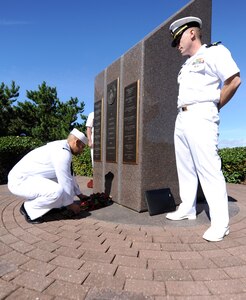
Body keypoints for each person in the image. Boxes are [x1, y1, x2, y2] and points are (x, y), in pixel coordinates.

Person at [166, 16, 241, 242]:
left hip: (202, 113)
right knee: (185, 166)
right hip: (182, 116)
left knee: (208, 168)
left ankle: (220, 224)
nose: (177, 44)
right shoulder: (186, 64)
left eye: (178, 38)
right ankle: (187, 208)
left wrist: (214, 105)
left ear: (191, 33)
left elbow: (234, 80)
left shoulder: (214, 53)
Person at [8, 128, 88, 224]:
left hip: (29, 178)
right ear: (77, 142)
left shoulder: (63, 147)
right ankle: (28, 209)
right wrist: (70, 204)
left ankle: (51, 207)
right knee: (57, 192)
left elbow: (69, 175)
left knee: (63, 192)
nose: (82, 151)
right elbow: (65, 180)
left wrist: (79, 194)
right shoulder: (62, 152)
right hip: (19, 181)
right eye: (82, 147)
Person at [86, 111, 94, 188]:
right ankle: (96, 178)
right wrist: (90, 140)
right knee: (94, 160)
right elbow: (88, 128)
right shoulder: (92, 114)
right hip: (95, 140)